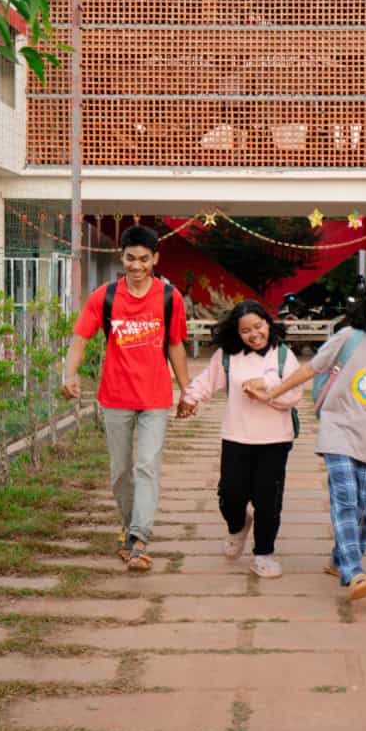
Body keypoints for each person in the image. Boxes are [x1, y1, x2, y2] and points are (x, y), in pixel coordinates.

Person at [248, 289, 366, 600]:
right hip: (337, 429)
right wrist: (273, 392)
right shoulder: (349, 337)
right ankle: (354, 572)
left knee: (365, 511)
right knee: (345, 500)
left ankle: (338, 558)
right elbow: (311, 368)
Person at [61, 224, 190, 572]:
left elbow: (175, 344)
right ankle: (129, 526)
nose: (136, 266)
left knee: (147, 466)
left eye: (144, 259)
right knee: (120, 472)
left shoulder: (168, 297)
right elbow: (80, 337)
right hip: (115, 396)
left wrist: (186, 390)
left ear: (155, 259)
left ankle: (139, 538)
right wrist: (68, 374)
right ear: (122, 258)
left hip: (155, 397)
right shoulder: (104, 296)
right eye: (130, 258)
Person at [176, 301, 300, 578]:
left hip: (275, 440)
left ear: (269, 323)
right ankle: (238, 526)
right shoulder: (227, 355)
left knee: (269, 500)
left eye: (258, 326)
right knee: (230, 495)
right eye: (246, 330)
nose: (254, 334)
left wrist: (266, 387)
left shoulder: (283, 355)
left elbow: (293, 395)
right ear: (237, 333)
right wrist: (190, 399)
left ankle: (264, 553)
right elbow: (208, 382)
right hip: (236, 436)